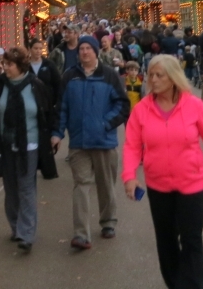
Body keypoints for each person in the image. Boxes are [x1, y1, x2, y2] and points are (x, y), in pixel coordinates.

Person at [123, 55, 203, 289]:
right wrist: (130, 176)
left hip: (191, 184)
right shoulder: (142, 109)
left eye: (159, 75)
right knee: (166, 242)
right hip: (158, 185)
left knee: (192, 240)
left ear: (173, 78)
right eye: (151, 75)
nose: (152, 80)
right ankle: (176, 284)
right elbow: (132, 145)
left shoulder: (194, 105)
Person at [0, 47, 58, 252]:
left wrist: (54, 135)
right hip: (5, 144)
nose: (5, 68)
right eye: (4, 64)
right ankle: (15, 227)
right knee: (10, 189)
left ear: (20, 66)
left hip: (29, 144)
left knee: (26, 187)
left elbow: (47, 113)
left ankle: (26, 234)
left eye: (9, 64)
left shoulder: (36, 86)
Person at [52, 35, 130, 249]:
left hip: (104, 141)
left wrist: (105, 123)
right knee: (81, 185)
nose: (84, 52)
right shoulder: (69, 77)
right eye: (81, 49)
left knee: (105, 185)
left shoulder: (109, 75)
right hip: (78, 142)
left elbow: (122, 105)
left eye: (88, 48)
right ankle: (81, 234)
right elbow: (62, 108)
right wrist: (57, 133)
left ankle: (108, 222)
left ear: (96, 51)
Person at [28, 38, 62, 111]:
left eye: (40, 49)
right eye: (36, 48)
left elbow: (58, 83)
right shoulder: (26, 66)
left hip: (47, 105)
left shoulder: (49, 64)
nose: (38, 51)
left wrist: (55, 102)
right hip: (30, 104)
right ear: (30, 49)